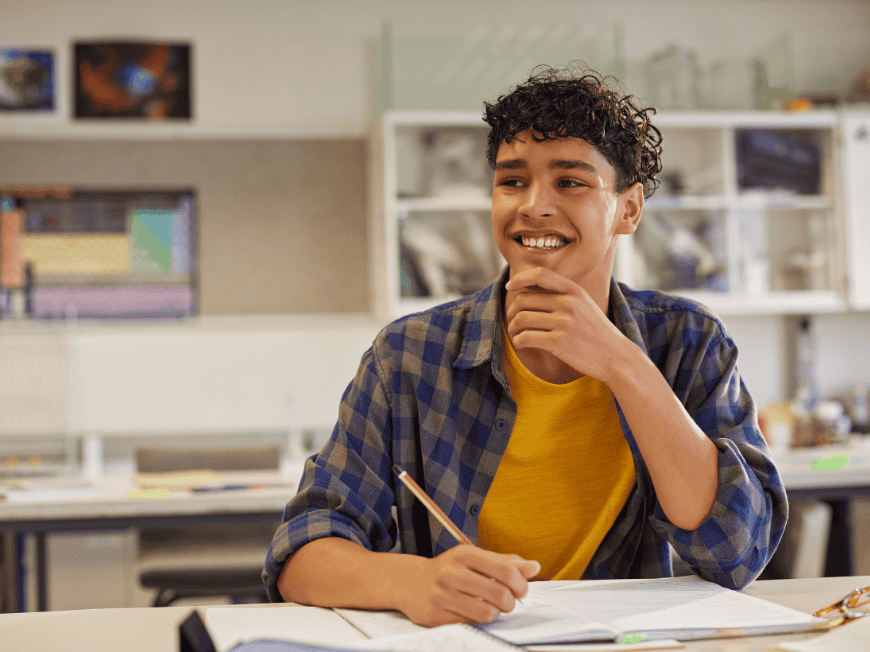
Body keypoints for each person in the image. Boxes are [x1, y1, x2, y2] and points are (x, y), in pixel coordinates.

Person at [263, 64, 788, 627]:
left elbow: (737, 551)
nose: (533, 205)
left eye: (570, 182)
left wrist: (622, 364)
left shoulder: (688, 341)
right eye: (512, 182)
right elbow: (299, 557)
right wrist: (413, 582)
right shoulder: (408, 356)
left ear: (629, 209)